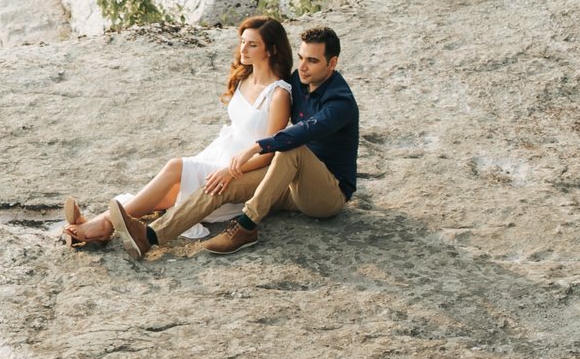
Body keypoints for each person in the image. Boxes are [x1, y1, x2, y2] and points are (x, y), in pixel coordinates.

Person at [61, 17, 294, 255]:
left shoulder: (279, 94)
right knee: (166, 194)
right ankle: (100, 224)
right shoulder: (245, 77)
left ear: (271, 50)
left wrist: (230, 171)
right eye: (242, 42)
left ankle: (101, 225)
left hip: (240, 170)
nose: (243, 49)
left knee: (176, 169)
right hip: (219, 152)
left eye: (252, 45)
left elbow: (269, 154)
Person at [148, 25, 358, 254]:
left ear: (332, 63)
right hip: (289, 181)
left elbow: (306, 130)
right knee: (225, 182)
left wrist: (256, 147)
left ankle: (246, 226)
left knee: (292, 148)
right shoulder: (299, 80)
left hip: (326, 195)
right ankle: (151, 235)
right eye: (301, 58)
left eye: (312, 61)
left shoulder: (340, 102)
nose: (302, 67)